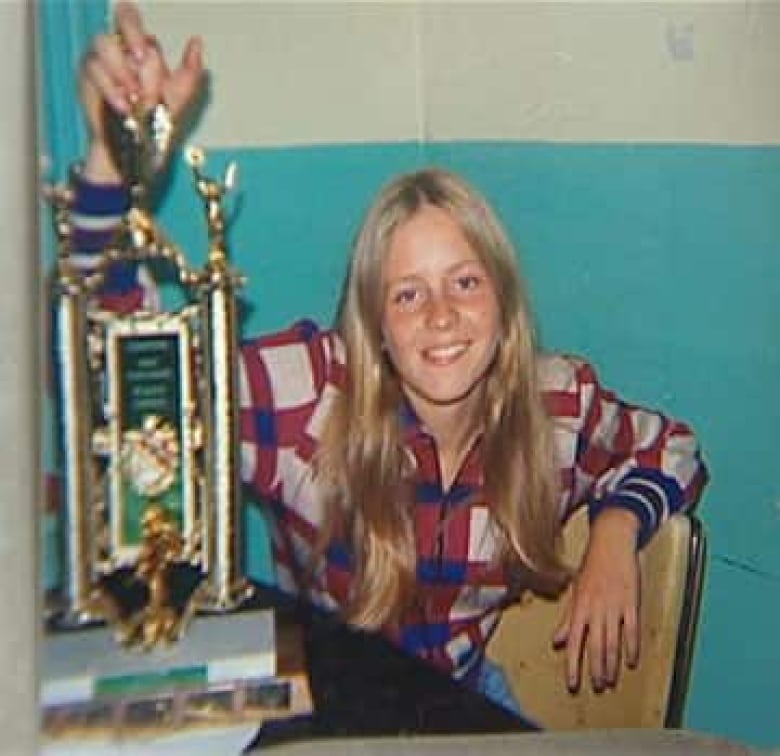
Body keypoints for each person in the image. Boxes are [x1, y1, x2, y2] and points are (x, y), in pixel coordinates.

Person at [68, 1, 708, 718]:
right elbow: (136, 381)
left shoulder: (557, 403)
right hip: (332, 707)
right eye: (407, 294)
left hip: (464, 701)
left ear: (505, 302)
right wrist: (108, 162)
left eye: (465, 282)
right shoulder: (307, 392)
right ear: (371, 322)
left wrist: (617, 532)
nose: (441, 314)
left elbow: (671, 448)